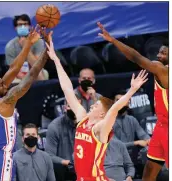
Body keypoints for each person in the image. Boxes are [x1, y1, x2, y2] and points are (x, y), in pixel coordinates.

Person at [46, 36, 148, 181]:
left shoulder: (101, 128)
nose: (92, 105)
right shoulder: (82, 117)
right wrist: (56, 60)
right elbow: (67, 88)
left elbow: (113, 110)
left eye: (97, 105)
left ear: (102, 114)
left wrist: (131, 91)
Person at [0, 26, 52, 181]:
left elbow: (14, 68)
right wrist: (47, 50)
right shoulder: (6, 101)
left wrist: (28, 44)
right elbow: (31, 75)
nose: (6, 85)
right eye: (1, 85)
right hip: (1, 159)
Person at [97, 22, 169, 181]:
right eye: (159, 51)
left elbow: (136, 58)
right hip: (161, 126)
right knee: (150, 168)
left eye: (164, 52)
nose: (159, 54)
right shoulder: (162, 68)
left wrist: (114, 41)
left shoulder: (164, 70)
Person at [5, 14, 48, 82]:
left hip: (35, 70)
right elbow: (13, 70)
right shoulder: (10, 46)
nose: (23, 26)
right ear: (15, 28)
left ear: (30, 26)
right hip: (19, 75)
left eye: (25, 24)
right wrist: (27, 80)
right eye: (20, 24)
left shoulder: (38, 41)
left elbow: (37, 65)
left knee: (41, 74)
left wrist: (26, 47)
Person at [45, 99, 79, 181]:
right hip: (65, 171)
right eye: (70, 106)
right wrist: (65, 162)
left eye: (76, 105)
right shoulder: (55, 126)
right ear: (64, 108)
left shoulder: (87, 124)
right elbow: (49, 155)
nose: (73, 108)